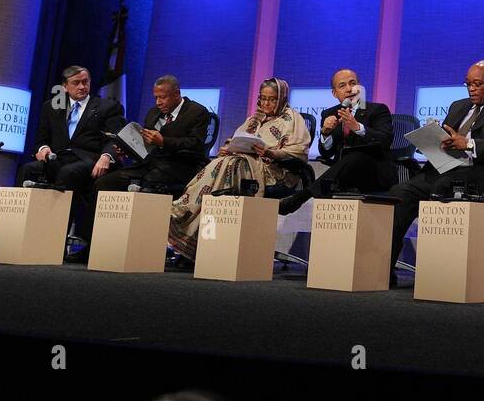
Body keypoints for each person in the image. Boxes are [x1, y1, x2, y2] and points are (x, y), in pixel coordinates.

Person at [385, 60, 484, 286]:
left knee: (444, 186)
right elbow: (448, 138)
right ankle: (386, 268)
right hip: (443, 168)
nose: (471, 89)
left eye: (477, 84)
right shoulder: (458, 106)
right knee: (400, 192)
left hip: (481, 170)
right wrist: (434, 140)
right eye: (468, 84)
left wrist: (470, 144)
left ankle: (442, 273)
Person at [65, 74, 211, 261]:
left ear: (176, 94)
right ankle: (93, 244)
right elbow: (146, 148)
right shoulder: (153, 113)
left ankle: (139, 249)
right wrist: (127, 149)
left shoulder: (197, 112)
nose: (158, 102)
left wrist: (164, 141)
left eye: (163, 97)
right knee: (104, 183)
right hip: (148, 164)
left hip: (179, 166)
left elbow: (196, 144)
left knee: (149, 183)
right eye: (156, 97)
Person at [167, 78, 310, 261]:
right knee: (223, 161)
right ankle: (189, 214)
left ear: (281, 98)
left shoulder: (293, 119)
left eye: (272, 99)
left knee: (232, 164)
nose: (266, 103)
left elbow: (298, 153)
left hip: (275, 171)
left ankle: (184, 209)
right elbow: (236, 139)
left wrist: (271, 153)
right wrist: (228, 147)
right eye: (263, 98)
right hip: (244, 163)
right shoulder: (254, 119)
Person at [17, 65, 125, 243]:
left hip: (90, 159)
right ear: (65, 86)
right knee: (28, 169)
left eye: (85, 82)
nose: (82, 87)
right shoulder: (51, 107)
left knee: (69, 173)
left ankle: (54, 239)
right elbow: (41, 139)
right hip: (58, 158)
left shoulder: (108, 107)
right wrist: (42, 149)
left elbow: (115, 139)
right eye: (76, 83)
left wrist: (106, 157)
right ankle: (21, 233)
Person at [277, 69, 393, 215]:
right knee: (348, 161)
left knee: (355, 156)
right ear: (334, 93)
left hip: (374, 173)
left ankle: (301, 197)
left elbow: (385, 140)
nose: (349, 89)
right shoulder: (329, 114)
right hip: (344, 175)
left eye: (353, 83)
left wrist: (357, 127)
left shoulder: (377, 110)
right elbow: (326, 153)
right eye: (342, 85)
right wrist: (325, 133)